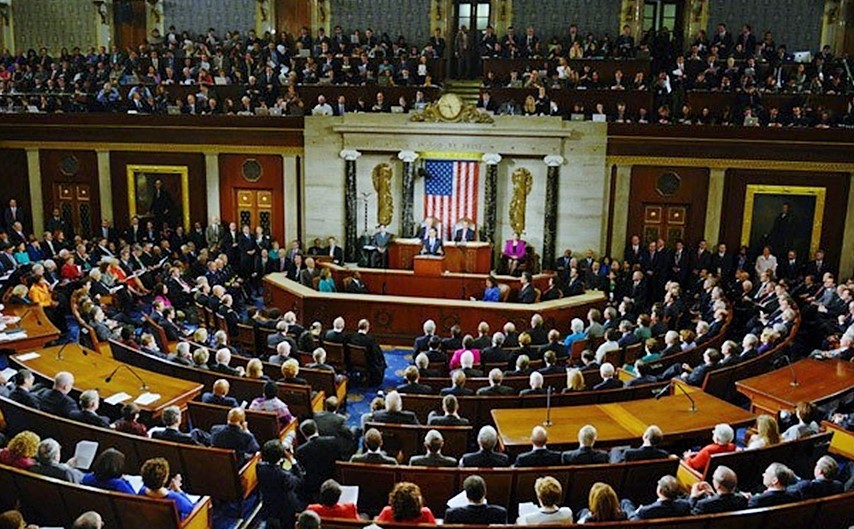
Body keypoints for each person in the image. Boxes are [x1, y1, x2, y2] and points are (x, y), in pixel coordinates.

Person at [257, 439, 306, 529]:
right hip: (285, 509)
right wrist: (292, 460)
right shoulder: (284, 476)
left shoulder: (259, 468)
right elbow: (299, 481)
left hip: (269, 504)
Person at [295, 419, 343, 502]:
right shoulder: (332, 441)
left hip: (313, 486)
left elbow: (302, 470)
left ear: (303, 434)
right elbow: (339, 459)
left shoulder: (300, 451)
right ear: (316, 429)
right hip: (334, 479)